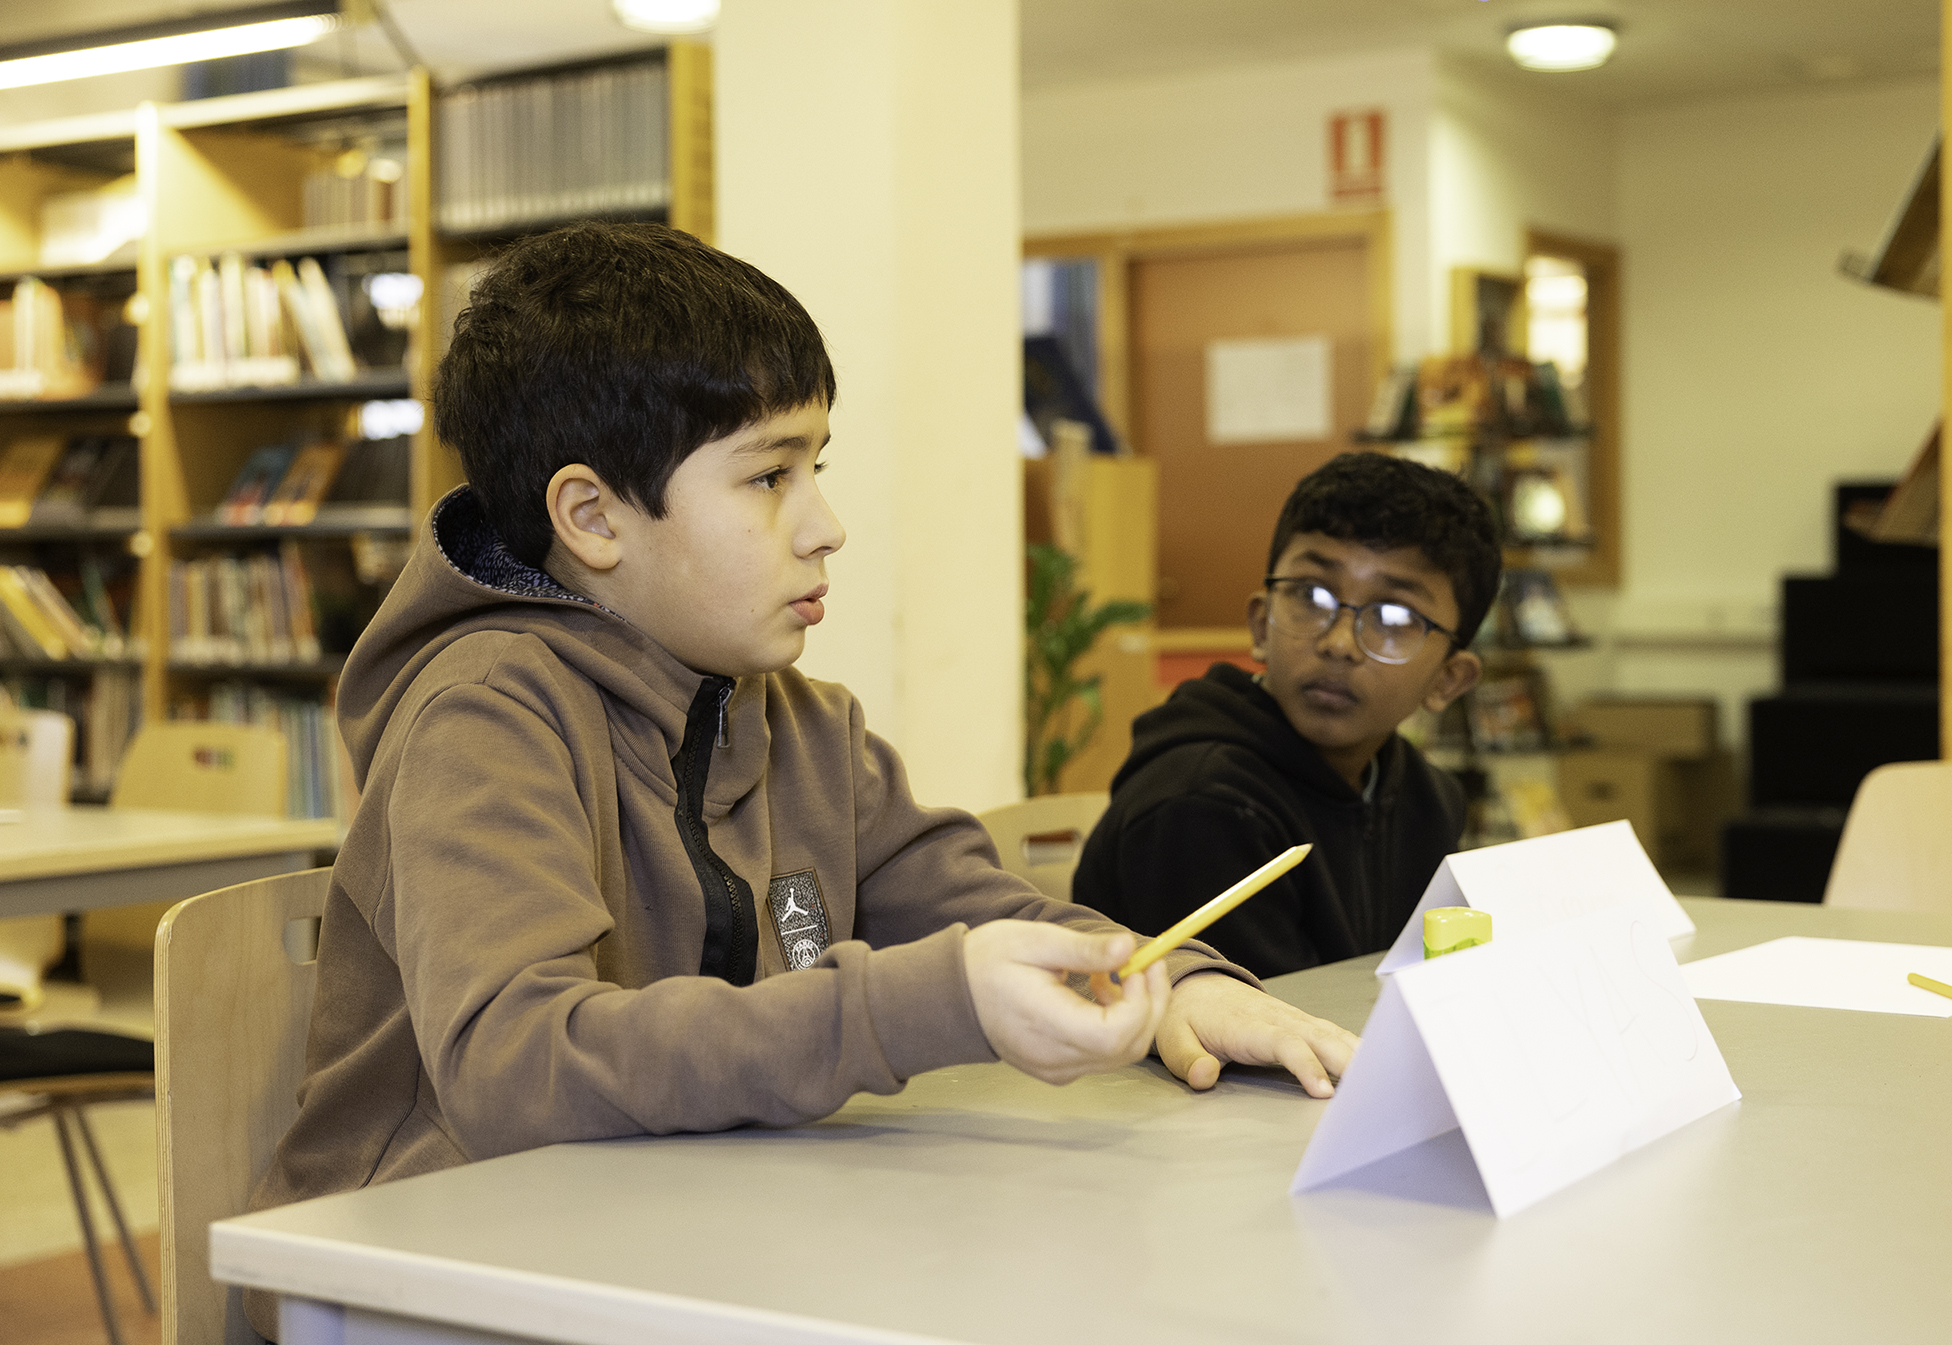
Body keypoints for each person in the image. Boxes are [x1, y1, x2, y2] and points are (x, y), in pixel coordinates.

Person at [245, 224, 1356, 1334]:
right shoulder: (484, 713)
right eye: (769, 476)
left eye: (813, 467)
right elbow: (515, 1068)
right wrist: (926, 1000)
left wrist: (1180, 985)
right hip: (423, 1276)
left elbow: (978, 903)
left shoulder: (801, 725)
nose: (824, 526)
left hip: (671, 1239)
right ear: (591, 518)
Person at [1072, 452, 1499, 979]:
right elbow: (1253, 1037)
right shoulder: (1202, 803)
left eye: (1394, 616)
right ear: (1260, 624)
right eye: (1312, 596)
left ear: (1447, 680)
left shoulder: (1429, 798)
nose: (1339, 643)